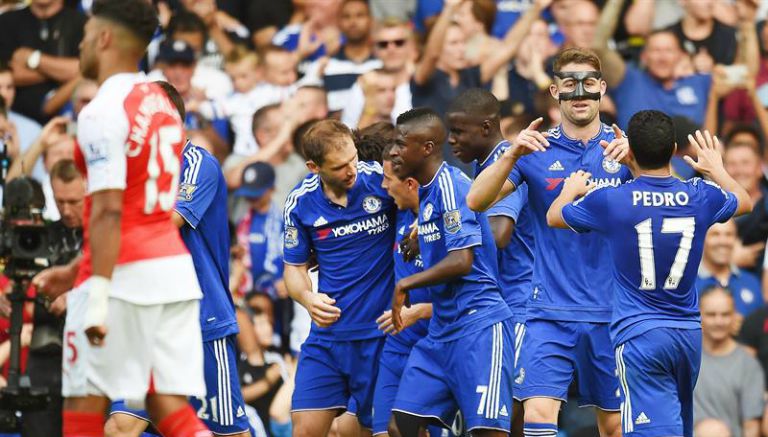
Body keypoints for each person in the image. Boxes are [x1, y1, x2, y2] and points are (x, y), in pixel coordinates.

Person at [33, 1, 211, 435]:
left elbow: (111, 210)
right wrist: (74, 268)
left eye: (85, 32)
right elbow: (135, 206)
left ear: (104, 38)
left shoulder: (100, 111)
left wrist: (94, 291)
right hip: (170, 270)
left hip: (122, 276)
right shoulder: (162, 100)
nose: (79, 42)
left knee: (83, 411)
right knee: (168, 407)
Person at [546, 110, 753, 436]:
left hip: (640, 335)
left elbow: (555, 217)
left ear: (631, 152)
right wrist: (718, 169)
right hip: (687, 336)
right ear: (673, 149)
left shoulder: (612, 200)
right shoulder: (700, 194)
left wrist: (569, 190)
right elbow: (744, 201)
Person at [467, 48, 634, 437]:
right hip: (547, 311)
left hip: (610, 311)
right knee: (538, 416)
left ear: (601, 88)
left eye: (589, 84)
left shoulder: (624, 148)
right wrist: (511, 155)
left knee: (614, 425)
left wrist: (637, 167)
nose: (580, 93)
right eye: (570, 84)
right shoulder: (534, 150)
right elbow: (476, 200)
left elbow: (663, 204)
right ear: (556, 90)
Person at [104, 82, 251, 437]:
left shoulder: (199, 165)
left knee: (228, 432)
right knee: (120, 426)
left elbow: (166, 223)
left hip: (202, 318)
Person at [387, 108, 514, 437]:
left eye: (402, 144)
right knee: (402, 425)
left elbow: (462, 261)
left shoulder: (452, 185)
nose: (394, 152)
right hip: (442, 332)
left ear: (427, 148)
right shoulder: (428, 193)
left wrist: (406, 283)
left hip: (479, 327)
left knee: (488, 432)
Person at [282, 119, 396, 436]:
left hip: (379, 335)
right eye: (339, 166)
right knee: (304, 430)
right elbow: (294, 269)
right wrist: (307, 298)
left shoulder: (381, 182)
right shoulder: (300, 202)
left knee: (376, 431)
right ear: (313, 167)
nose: (351, 171)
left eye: (353, 160)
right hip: (328, 337)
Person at [445, 88, 535, 432]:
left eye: (459, 131)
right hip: (501, 302)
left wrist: (442, 233)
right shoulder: (485, 166)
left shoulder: (507, 164)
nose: (451, 140)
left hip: (520, 302)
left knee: (507, 410)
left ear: (485, 127)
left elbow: (499, 234)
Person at [374, 144, 436, 437]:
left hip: (435, 347)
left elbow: (475, 296)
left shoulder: (448, 221)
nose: (383, 185)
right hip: (397, 346)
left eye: (388, 179)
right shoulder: (399, 213)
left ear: (410, 183)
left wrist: (420, 312)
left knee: (404, 429)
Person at [23, 159, 84, 437]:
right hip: (44, 355)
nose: (67, 210)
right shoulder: (41, 236)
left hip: (90, 355)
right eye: (60, 202)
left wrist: (76, 298)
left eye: (74, 201)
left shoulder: (106, 236)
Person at [0, 0, 86, 123]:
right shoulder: (6, 22)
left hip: (67, 120)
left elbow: (85, 68)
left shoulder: (81, 23)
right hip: (13, 119)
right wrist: (64, 72)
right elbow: (9, 75)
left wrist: (32, 58)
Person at [695, 286, 765, 437]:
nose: (718, 321)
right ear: (698, 316)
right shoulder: (684, 357)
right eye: (711, 315)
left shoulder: (748, 365)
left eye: (725, 314)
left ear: (734, 316)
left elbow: (751, 426)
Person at [696, 220, 763, 330]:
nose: (723, 241)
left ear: (736, 239)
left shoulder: (751, 282)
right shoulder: (687, 284)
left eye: (729, 235)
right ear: (702, 239)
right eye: (715, 235)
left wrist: (746, 327)